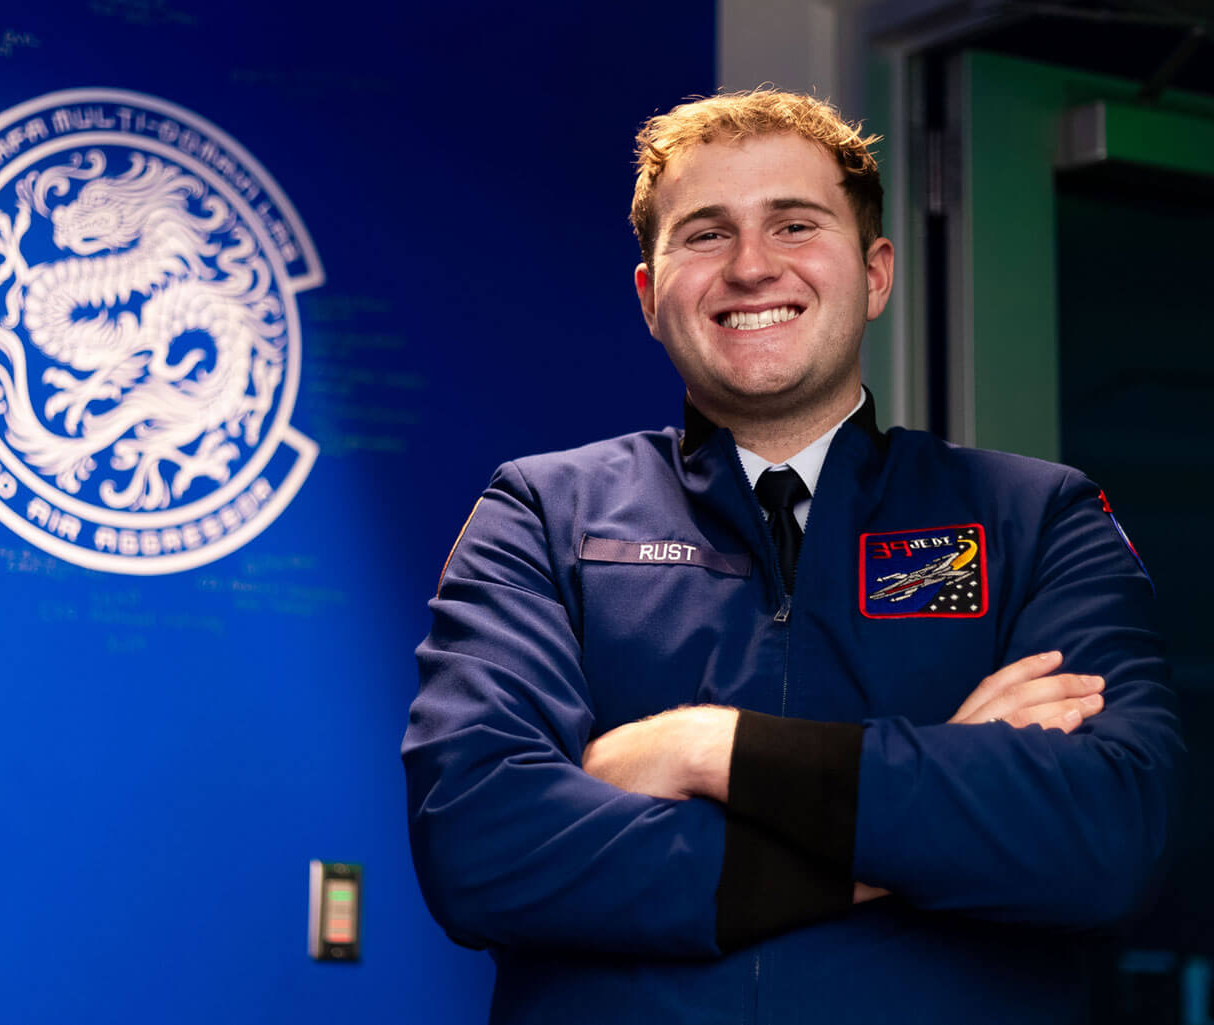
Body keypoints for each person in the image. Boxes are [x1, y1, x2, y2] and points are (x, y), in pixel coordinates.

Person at [401, 89, 1183, 1024]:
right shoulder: (541, 515)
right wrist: (937, 801)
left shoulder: (1034, 517)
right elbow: (485, 849)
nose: (751, 266)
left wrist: (708, 747)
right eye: (704, 234)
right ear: (651, 295)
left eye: (794, 223)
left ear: (876, 272)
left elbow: (1103, 834)